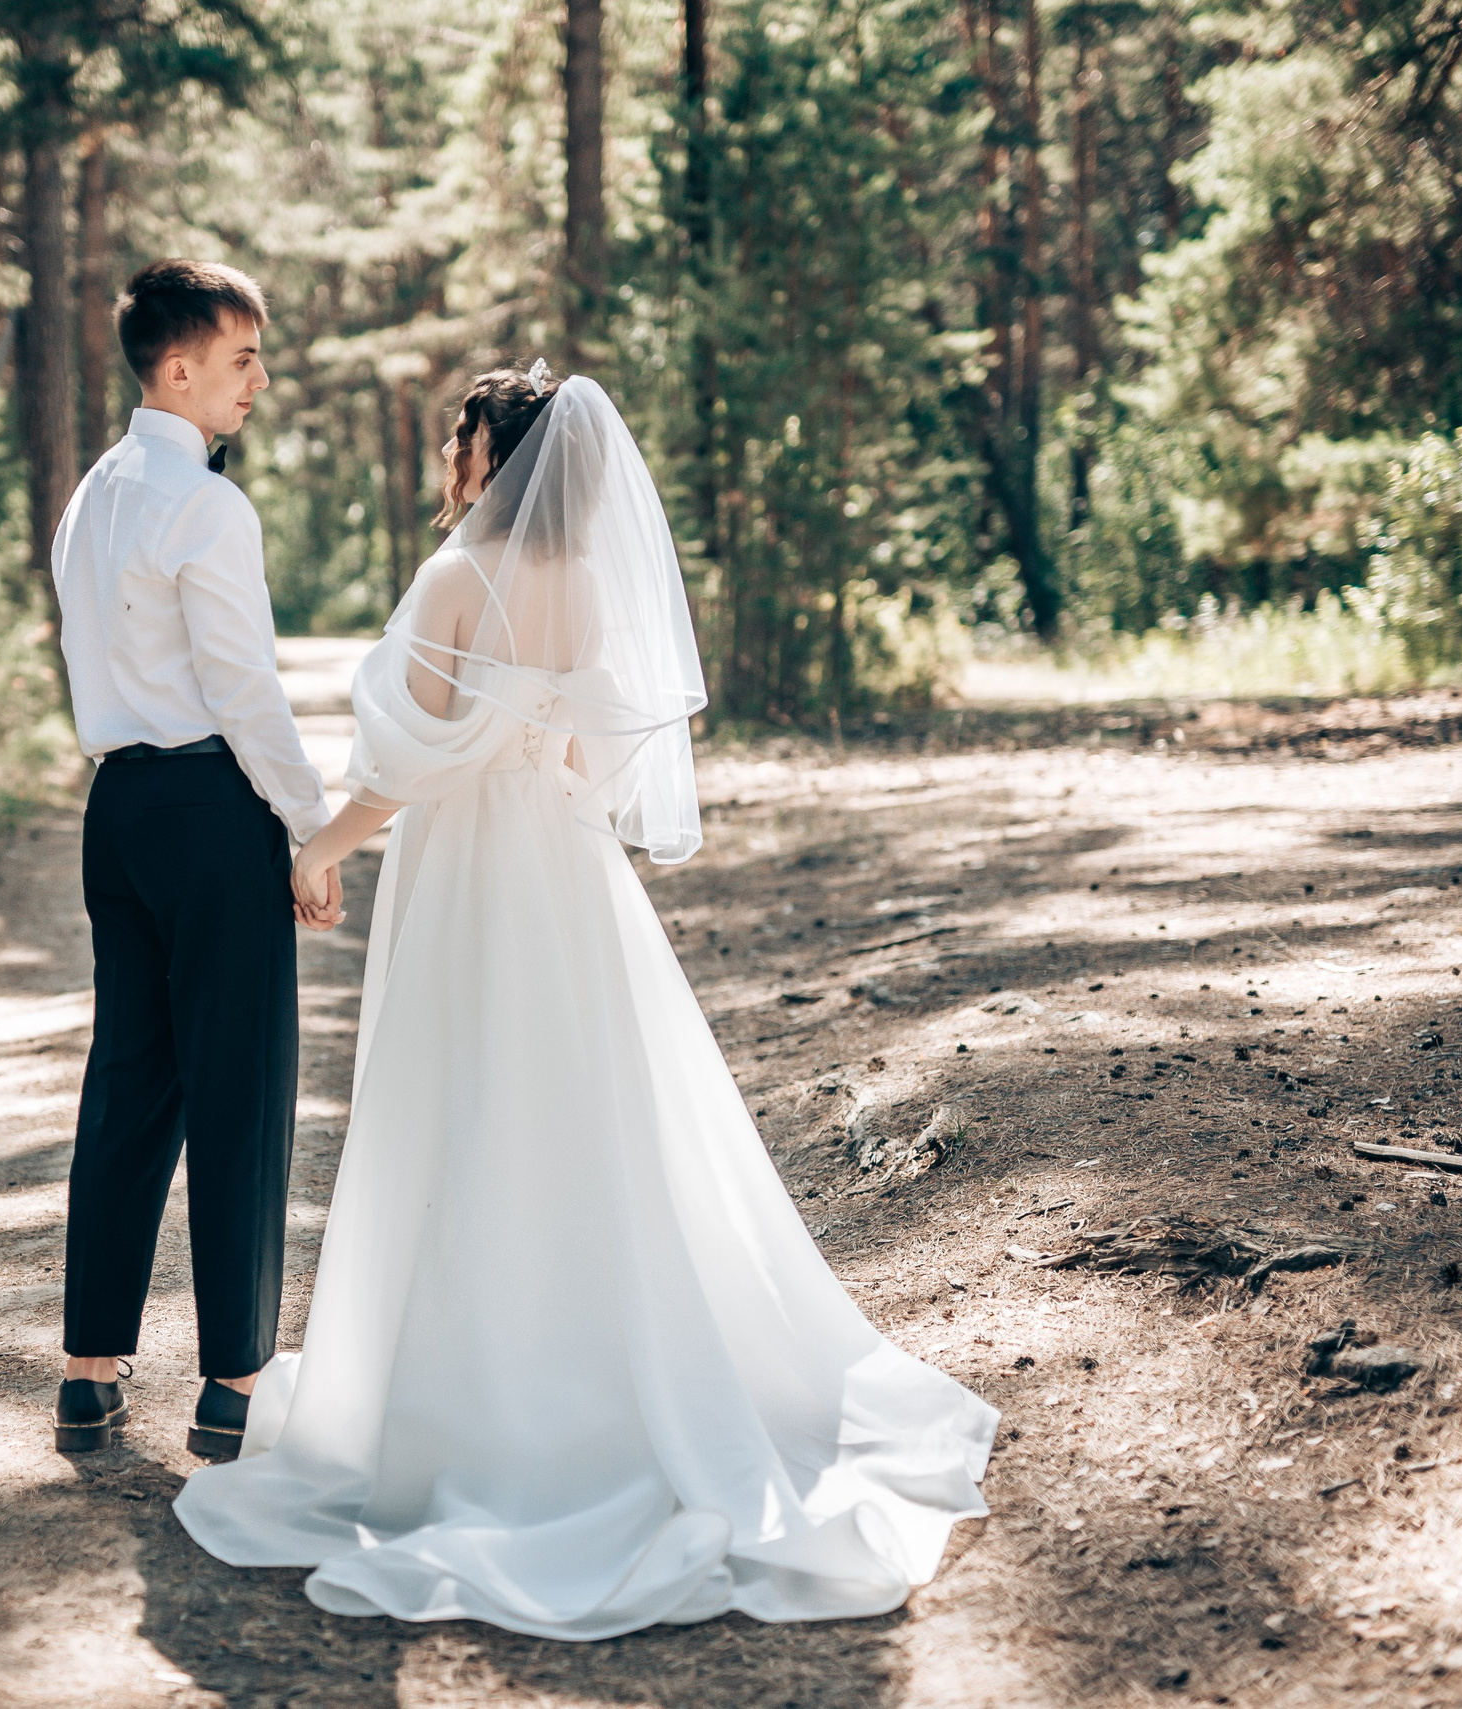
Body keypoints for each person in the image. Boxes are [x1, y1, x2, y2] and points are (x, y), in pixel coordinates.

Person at [171, 363, 999, 1641]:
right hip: (562, 869)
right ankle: (593, 1366)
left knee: (470, 1107)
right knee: (590, 1114)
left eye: (461, 440)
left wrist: (317, 849)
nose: (452, 457)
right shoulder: (596, 583)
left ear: (487, 454)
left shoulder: (457, 578)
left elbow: (407, 768)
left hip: (470, 877)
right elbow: (581, 752)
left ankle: (472, 1404)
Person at [48, 259, 330, 1460]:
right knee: (239, 1090)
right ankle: (232, 1386)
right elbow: (242, 687)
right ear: (179, 367)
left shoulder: (91, 494)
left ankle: (87, 1372)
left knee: (128, 1085)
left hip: (116, 809)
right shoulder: (206, 504)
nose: (257, 378)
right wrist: (309, 824)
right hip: (213, 806)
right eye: (240, 358)